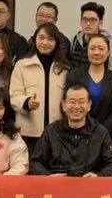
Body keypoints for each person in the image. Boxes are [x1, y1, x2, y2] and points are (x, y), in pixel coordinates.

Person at [11, 23, 71, 153]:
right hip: (28, 133)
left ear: (56, 42)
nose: (45, 42)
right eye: (41, 38)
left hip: (57, 133)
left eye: (50, 39)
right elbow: (14, 96)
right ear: (35, 39)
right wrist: (27, 102)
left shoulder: (65, 68)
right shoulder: (22, 65)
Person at [66, 34, 112, 151]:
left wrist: (101, 132)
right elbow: (68, 102)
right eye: (92, 48)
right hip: (77, 134)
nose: (96, 52)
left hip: (108, 136)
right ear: (87, 51)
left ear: (108, 53)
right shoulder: (74, 74)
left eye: (101, 49)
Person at [70, 2, 112, 69]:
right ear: (80, 21)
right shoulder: (75, 39)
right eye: (85, 19)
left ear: (100, 23)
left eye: (92, 20)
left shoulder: (108, 43)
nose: (88, 24)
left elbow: (111, 70)